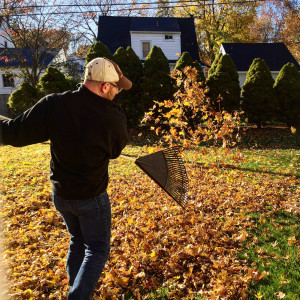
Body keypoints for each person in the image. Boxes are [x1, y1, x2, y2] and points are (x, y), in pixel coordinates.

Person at [0, 57, 132, 299]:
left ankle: (74, 287)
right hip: (91, 198)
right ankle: (77, 296)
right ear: (104, 86)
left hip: (61, 196)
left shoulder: (54, 104)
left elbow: (13, 135)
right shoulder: (113, 118)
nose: (117, 92)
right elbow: (115, 152)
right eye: (116, 88)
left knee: (78, 241)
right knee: (98, 249)